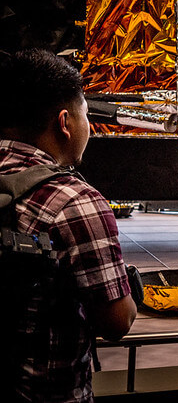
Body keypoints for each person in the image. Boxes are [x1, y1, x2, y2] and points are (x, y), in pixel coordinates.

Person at [0, 49, 136, 402]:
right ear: (65, 122)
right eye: (87, 114)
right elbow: (116, 323)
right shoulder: (74, 202)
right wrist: (129, 292)